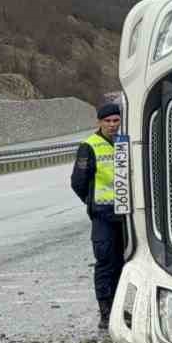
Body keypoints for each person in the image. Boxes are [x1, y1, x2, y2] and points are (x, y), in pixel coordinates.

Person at [71, 102, 125, 331]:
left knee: (127, 263)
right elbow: (78, 183)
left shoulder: (126, 142)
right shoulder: (89, 146)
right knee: (105, 263)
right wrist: (92, 201)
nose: (112, 125)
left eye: (116, 121)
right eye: (108, 121)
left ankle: (124, 309)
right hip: (103, 216)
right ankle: (106, 312)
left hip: (126, 215)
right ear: (99, 122)